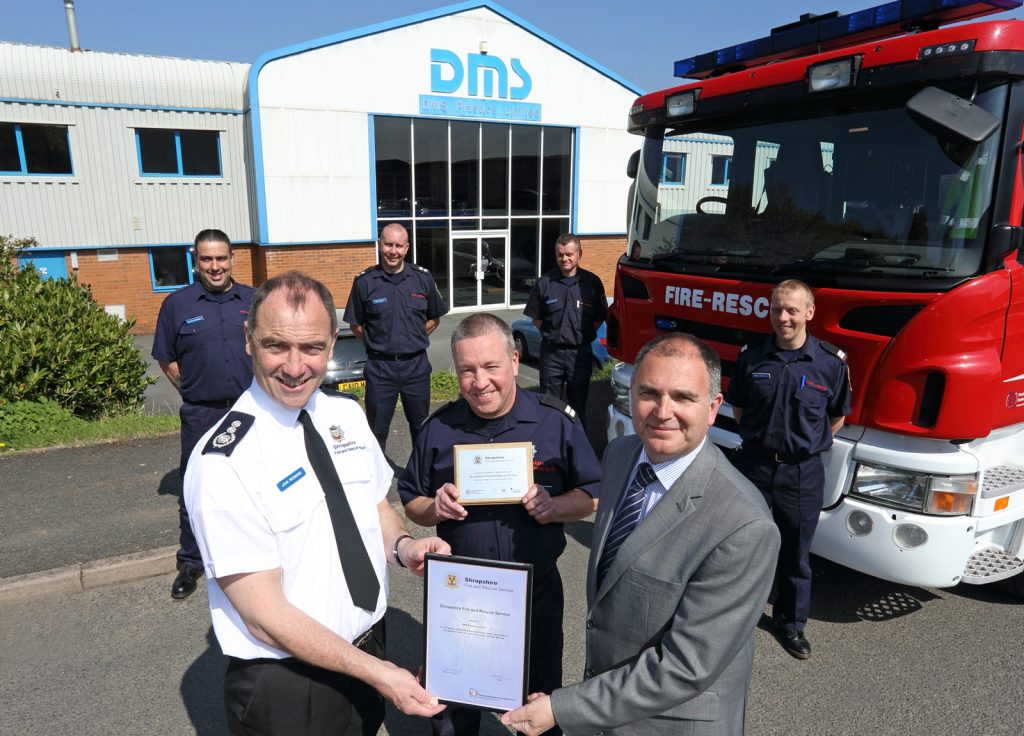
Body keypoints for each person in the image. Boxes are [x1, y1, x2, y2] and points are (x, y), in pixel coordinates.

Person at [183, 271, 450, 736]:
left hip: (367, 651)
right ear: (249, 339)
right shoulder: (223, 461)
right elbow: (264, 618)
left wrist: (404, 547)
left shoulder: (344, 414)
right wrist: (378, 673)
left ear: (332, 344)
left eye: (311, 347)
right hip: (288, 685)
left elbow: (375, 508)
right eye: (276, 345)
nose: (294, 366)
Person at [501, 333, 780, 736]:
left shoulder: (744, 525)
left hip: (674, 724)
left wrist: (562, 708)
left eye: (683, 397)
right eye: (649, 393)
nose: (663, 412)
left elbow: (685, 666)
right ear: (631, 394)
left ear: (713, 407)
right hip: (610, 707)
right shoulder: (621, 454)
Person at [398, 312, 602, 736]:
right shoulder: (438, 428)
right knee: (452, 711)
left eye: (491, 366)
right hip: (461, 597)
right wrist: (435, 507)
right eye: (467, 370)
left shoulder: (554, 421)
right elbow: (412, 501)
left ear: (514, 360)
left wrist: (554, 506)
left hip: (534, 594)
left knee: (538, 709)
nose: (480, 382)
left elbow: (593, 493)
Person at [726, 279, 851, 660]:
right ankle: (736, 615)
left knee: (796, 553)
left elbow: (837, 417)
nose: (783, 317)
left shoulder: (830, 364)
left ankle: (790, 624)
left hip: (801, 473)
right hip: (755, 466)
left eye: (792, 310)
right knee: (745, 546)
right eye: (777, 309)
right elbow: (739, 408)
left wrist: (802, 447)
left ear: (809, 313)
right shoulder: (752, 357)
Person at [152, 228, 254, 600]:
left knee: (255, 484)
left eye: (221, 258)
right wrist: (193, 390)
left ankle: (257, 554)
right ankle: (192, 562)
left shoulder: (255, 300)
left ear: (232, 259)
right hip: (201, 415)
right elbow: (166, 358)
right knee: (196, 490)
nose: (215, 266)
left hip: (250, 412)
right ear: (196, 261)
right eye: (206, 259)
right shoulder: (177, 305)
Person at [344, 223, 449, 453]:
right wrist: (377, 344)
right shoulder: (364, 282)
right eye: (388, 244)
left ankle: (419, 472)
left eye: (399, 246)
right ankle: (377, 474)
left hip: (416, 367)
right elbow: (355, 324)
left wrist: (414, 337)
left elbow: (435, 318)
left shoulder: (422, 279)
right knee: (376, 431)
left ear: (407, 248)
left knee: (421, 428)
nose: (393, 251)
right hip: (380, 369)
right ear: (379, 245)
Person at [523, 233, 607, 424]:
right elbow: (537, 319)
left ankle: (576, 442)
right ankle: (550, 441)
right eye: (560, 254)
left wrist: (580, 336)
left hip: (580, 355)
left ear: (579, 254)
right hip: (552, 354)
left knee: (577, 407)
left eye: (569, 254)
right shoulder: (544, 283)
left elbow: (598, 319)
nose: (564, 259)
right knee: (548, 406)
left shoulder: (592, 284)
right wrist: (556, 334)